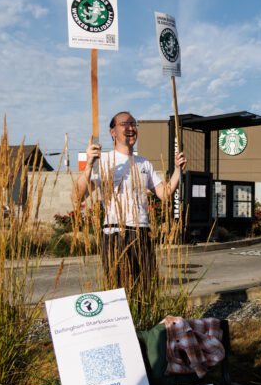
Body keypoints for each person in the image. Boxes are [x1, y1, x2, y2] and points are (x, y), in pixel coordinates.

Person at [74, 111, 186, 291]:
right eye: (125, 124)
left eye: (134, 124)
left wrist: (178, 170)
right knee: (119, 289)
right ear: (113, 132)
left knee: (147, 287)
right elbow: (77, 196)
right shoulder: (102, 161)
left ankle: (144, 319)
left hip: (142, 233)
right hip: (115, 234)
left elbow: (164, 194)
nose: (131, 128)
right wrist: (88, 165)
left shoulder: (144, 163)